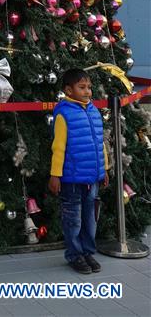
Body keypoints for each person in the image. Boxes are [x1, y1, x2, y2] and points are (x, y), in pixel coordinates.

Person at [48, 68, 109, 274]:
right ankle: (74, 255)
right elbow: (59, 147)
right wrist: (55, 175)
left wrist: (104, 170)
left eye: (89, 87)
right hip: (72, 179)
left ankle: (87, 252)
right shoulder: (64, 113)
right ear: (69, 90)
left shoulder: (93, 111)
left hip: (92, 178)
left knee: (89, 218)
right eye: (82, 87)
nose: (88, 92)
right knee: (73, 219)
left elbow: (100, 143)